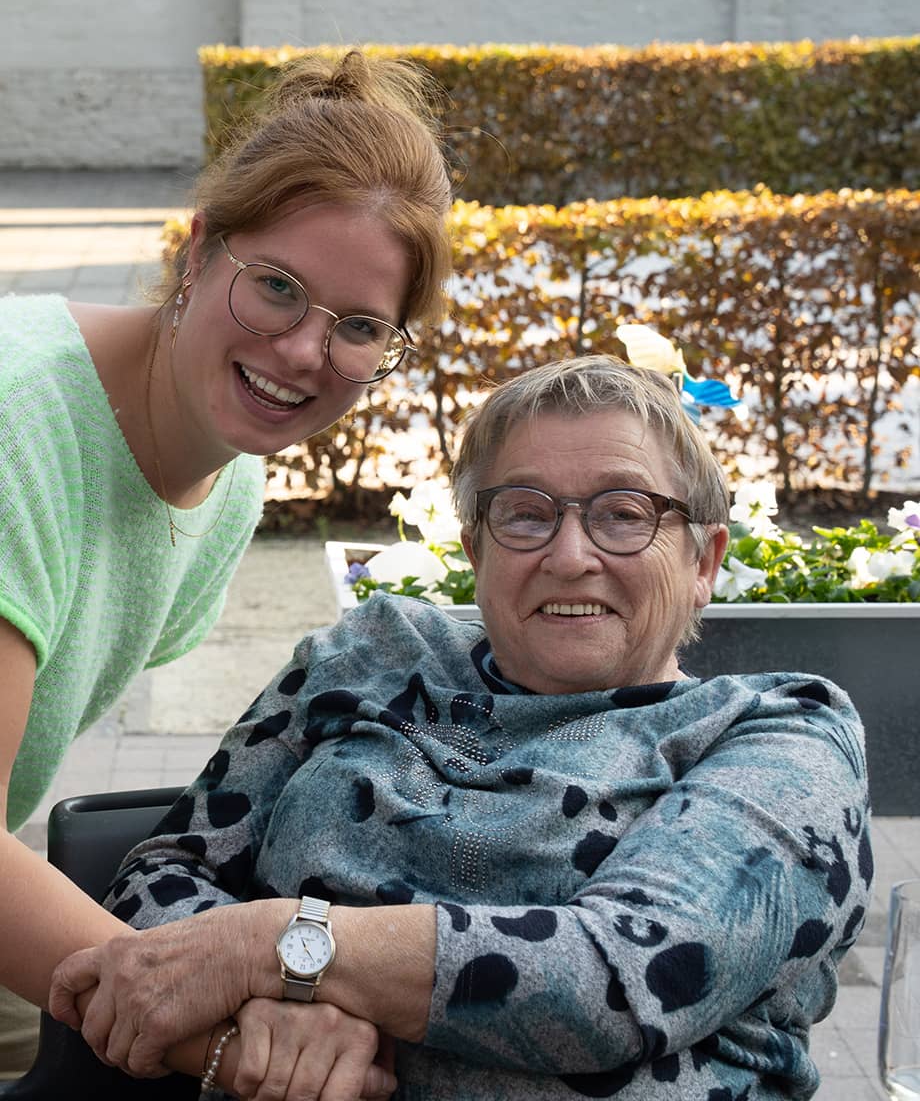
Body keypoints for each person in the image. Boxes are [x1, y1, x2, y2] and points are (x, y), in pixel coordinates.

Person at [50, 356, 872, 1100]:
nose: (570, 553)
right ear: (477, 550)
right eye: (524, 513)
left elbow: (620, 976)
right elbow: (158, 877)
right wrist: (279, 1021)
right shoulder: (368, 654)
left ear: (702, 561)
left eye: (624, 514)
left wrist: (276, 948)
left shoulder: (779, 736)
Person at [0, 47, 453, 1080]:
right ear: (199, 252)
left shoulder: (229, 478)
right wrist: (227, 1032)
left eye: (357, 327)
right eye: (278, 289)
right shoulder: (18, 422)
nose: (302, 352)